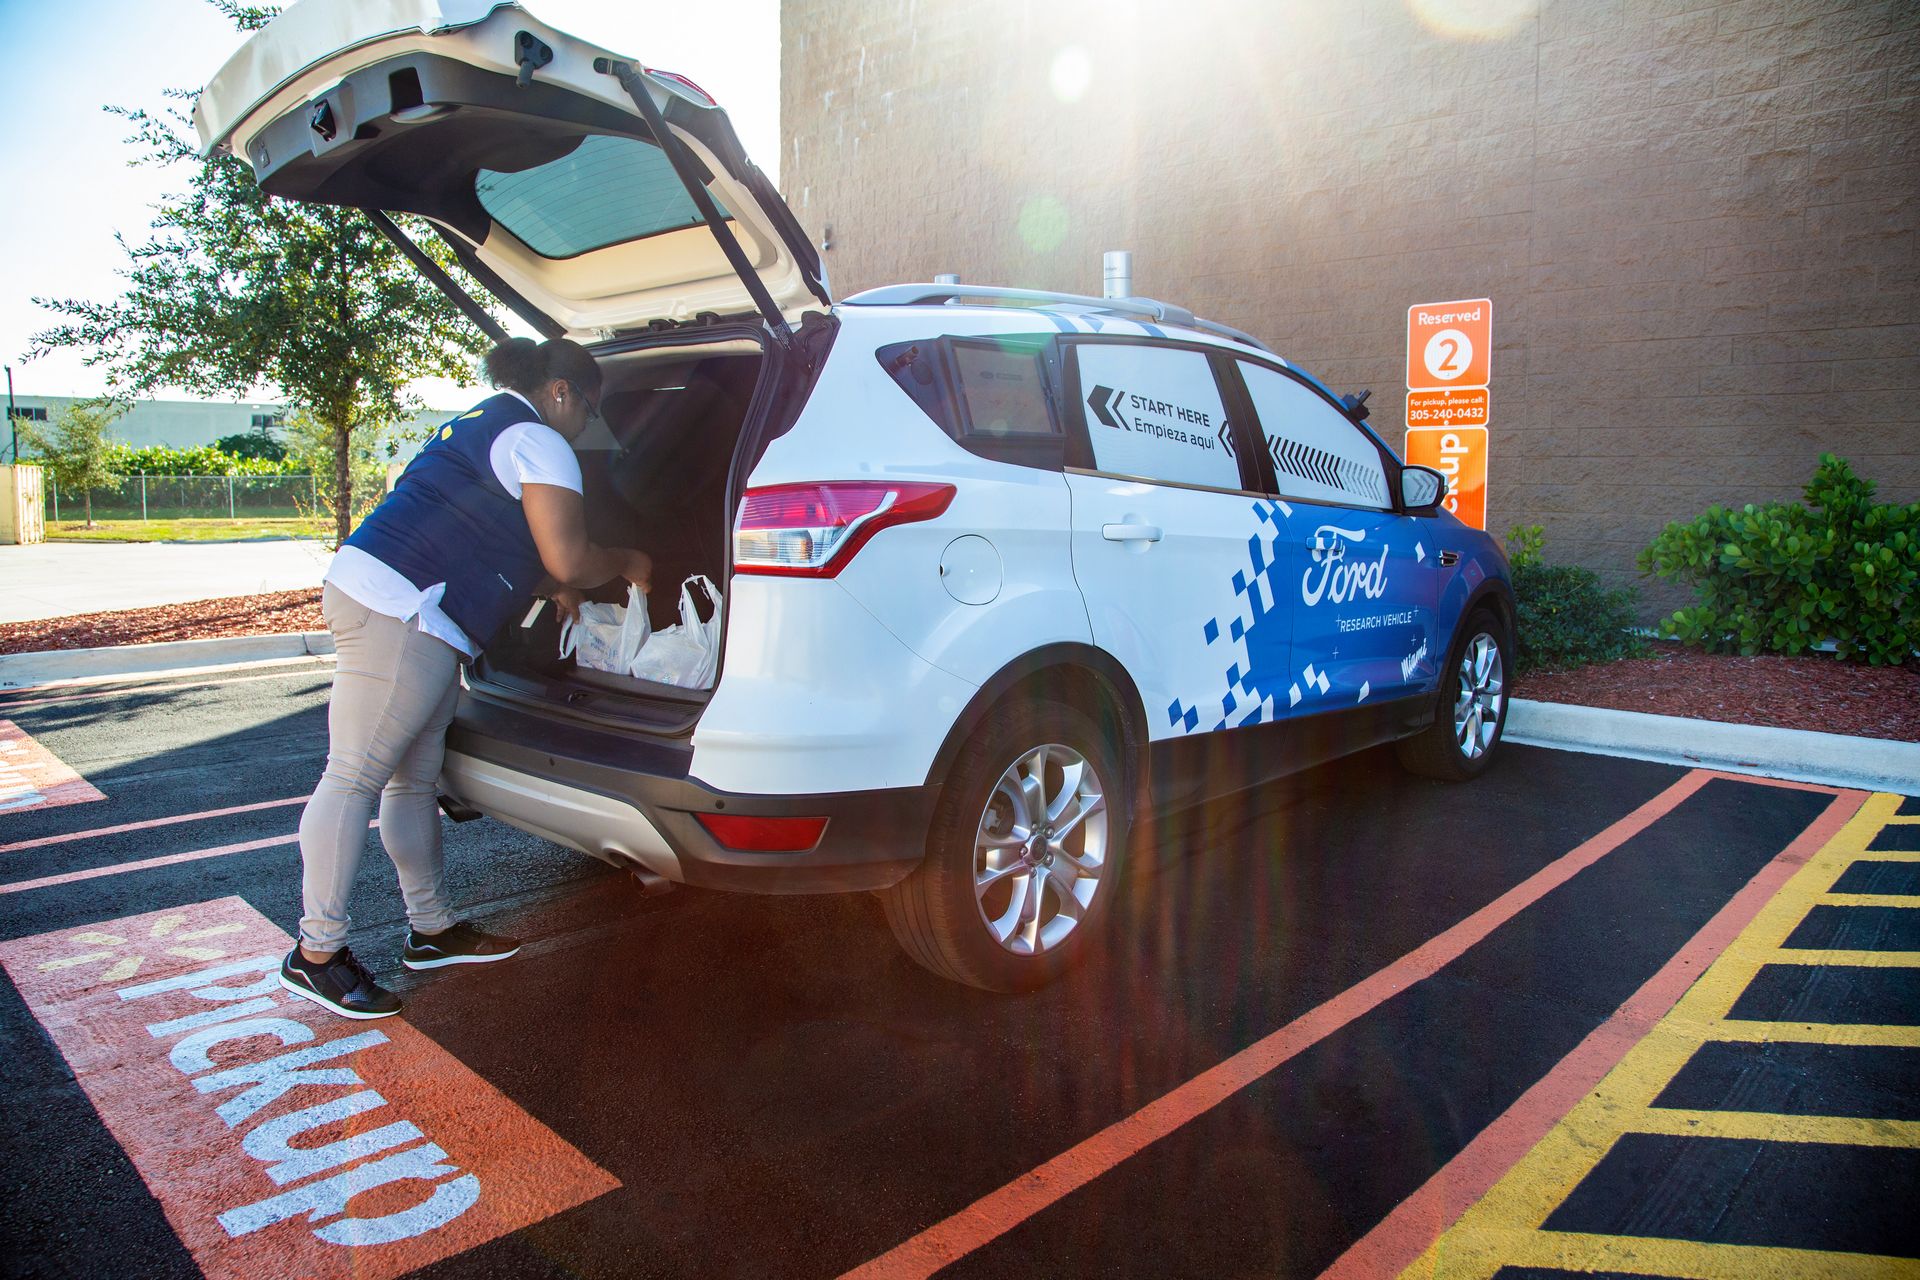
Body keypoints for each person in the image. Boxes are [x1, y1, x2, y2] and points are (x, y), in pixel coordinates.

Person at [282, 336, 650, 1020]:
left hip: (401, 603)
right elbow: (569, 557)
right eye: (589, 409)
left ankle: (431, 930)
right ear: (562, 391)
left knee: (412, 780)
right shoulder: (541, 440)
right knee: (354, 776)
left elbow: (490, 529)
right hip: (402, 611)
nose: (587, 426)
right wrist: (629, 561)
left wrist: (547, 583)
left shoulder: (485, 421)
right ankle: (317, 954)